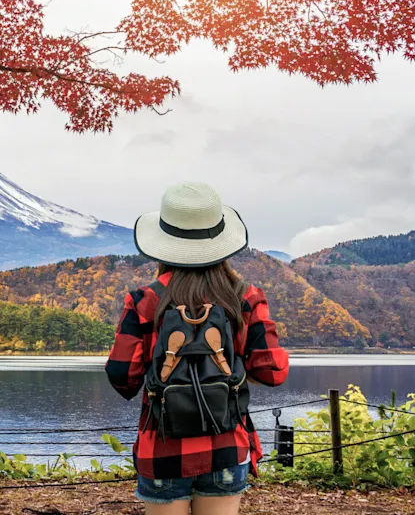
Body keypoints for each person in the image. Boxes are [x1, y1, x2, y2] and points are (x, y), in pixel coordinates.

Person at [106, 182, 289, 515]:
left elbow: (122, 377)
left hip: (161, 449)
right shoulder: (246, 297)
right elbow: (273, 371)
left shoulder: (144, 300)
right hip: (226, 445)